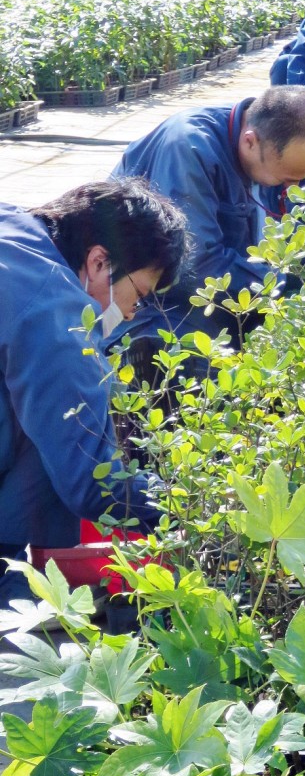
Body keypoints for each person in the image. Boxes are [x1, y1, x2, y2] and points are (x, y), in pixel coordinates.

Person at [0, 179, 187, 610]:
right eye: (137, 295)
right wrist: (192, 505)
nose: (131, 313)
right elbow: (91, 481)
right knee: (61, 437)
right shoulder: (53, 311)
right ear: (100, 261)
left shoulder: (18, 229)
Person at [112, 86, 305, 346]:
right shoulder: (189, 147)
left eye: (303, 178)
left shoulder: (298, 149)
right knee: (182, 349)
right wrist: (295, 284)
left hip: (244, 288)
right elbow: (195, 268)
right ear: (250, 142)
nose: (296, 189)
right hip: (154, 302)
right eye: (285, 180)